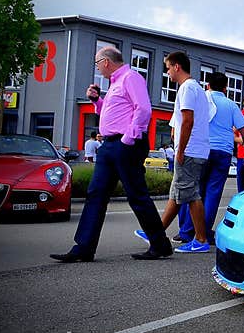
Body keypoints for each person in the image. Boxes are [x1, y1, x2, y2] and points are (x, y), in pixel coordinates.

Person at [50, 47, 171, 262]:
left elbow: (143, 109)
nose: (97, 67)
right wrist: (97, 101)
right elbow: (114, 111)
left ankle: (160, 244)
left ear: (106, 61)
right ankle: (83, 248)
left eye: (97, 63)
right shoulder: (115, 83)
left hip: (125, 143)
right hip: (109, 145)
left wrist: (127, 139)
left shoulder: (130, 77)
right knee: (96, 193)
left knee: (137, 195)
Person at [138, 51, 212, 254]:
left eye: (168, 68)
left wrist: (181, 149)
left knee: (191, 194)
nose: (168, 72)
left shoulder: (186, 88)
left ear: (177, 66)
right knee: (178, 192)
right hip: (197, 149)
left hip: (189, 150)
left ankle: (201, 239)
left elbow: (188, 120)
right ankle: (156, 231)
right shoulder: (196, 88)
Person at [174, 72, 244, 245]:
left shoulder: (201, 99)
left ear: (207, 85)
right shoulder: (231, 105)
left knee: (195, 192)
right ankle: (204, 233)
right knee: (213, 193)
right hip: (223, 152)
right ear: (225, 88)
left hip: (202, 150)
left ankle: (186, 232)